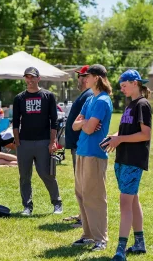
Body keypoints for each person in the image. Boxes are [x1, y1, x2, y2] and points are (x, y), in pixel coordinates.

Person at [103, 69, 152, 261]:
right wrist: (113, 138)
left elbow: (145, 134)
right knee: (132, 201)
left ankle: (120, 250)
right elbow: (125, 131)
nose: (121, 89)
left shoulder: (142, 105)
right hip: (123, 159)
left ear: (134, 83)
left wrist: (120, 139)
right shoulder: (130, 105)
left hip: (133, 160)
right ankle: (139, 243)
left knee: (125, 204)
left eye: (124, 85)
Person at [72, 64, 113, 251]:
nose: (83, 79)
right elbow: (75, 125)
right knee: (81, 194)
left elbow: (87, 128)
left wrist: (84, 123)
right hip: (82, 151)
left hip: (94, 154)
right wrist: (84, 123)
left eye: (87, 76)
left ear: (96, 78)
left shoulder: (102, 101)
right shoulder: (90, 100)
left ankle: (101, 238)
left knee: (95, 196)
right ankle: (88, 235)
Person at [13, 67, 62, 216]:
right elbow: (15, 122)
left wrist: (52, 142)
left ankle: (57, 203)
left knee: (46, 173)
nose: (30, 80)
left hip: (43, 141)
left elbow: (54, 121)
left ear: (38, 78)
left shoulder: (48, 96)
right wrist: (17, 141)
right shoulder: (19, 98)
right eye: (27, 77)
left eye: (32, 77)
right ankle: (27, 206)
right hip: (24, 143)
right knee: (24, 176)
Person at [63, 65, 94, 228]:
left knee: (83, 183)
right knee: (80, 183)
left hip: (81, 145)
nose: (79, 79)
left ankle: (85, 219)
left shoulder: (89, 95)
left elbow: (87, 122)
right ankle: (82, 214)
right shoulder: (86, 95)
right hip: (77, 145)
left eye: (81, 76)